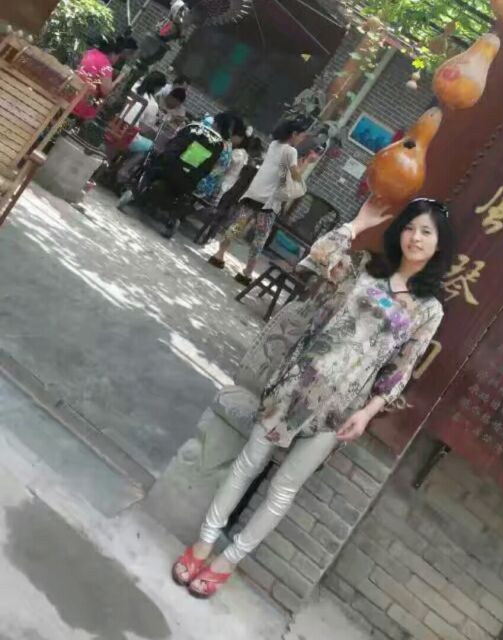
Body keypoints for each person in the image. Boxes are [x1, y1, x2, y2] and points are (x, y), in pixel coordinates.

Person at [172, 197, 454, 597]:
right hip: (296, 383)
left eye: (426, 231)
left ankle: (228, 561)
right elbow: (319, 257)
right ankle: (203, 543)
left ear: (439, 245)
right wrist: (357, 224)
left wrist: (368, 412)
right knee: (249, 463)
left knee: (283, 489)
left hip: (340, 408)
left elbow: (402, 367)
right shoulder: (365, 269)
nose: (415, 237)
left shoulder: (429, 309)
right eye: (409, 227)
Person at [208, 119, 313, 286]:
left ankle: (218, 255)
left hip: (254, 192)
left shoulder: (274, 145)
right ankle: (247, 273)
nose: (302, 139)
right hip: (268, 201)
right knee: (260, 238)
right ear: (294, 134)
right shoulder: (291, 151)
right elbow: (294, 177)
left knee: (237, 225)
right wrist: (306, 163)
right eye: (302, 136)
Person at [73, 36, 139, 121]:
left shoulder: (91, 52)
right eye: (118, 57)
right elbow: (106, 91)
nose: (116, 60)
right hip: (80, 102)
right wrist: (119, 79)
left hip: (70, 90)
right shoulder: (106, 65)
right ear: (112, 53)